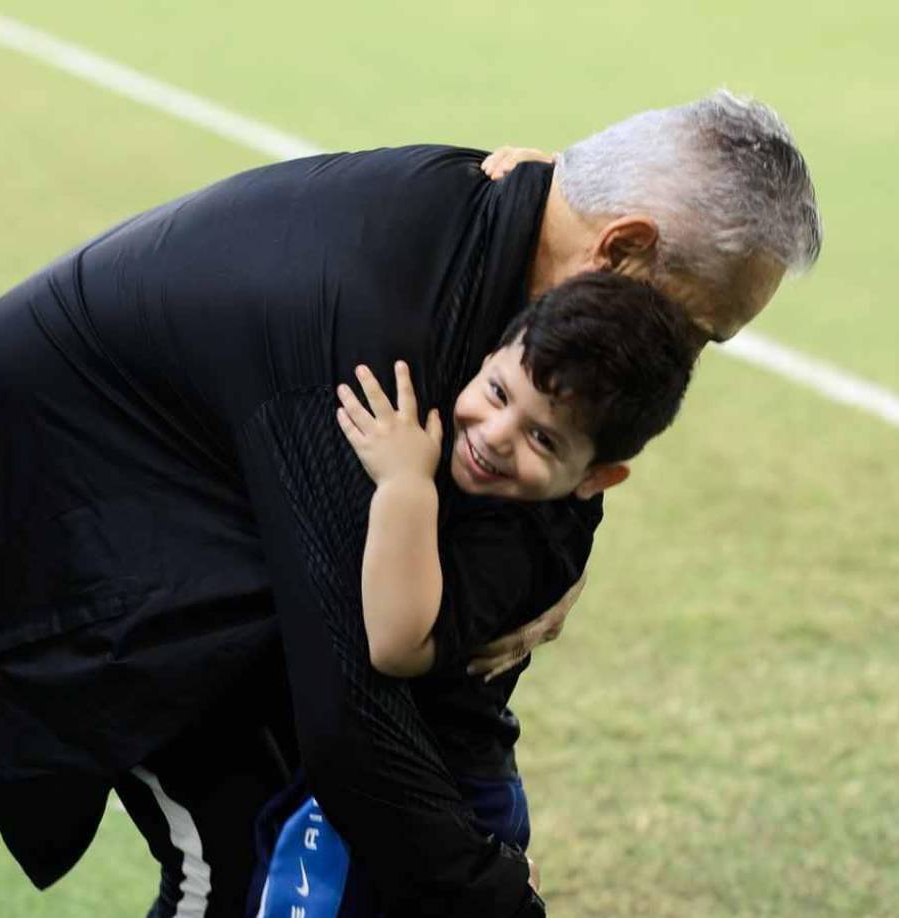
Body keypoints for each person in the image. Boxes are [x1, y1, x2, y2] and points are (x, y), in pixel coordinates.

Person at [0, 90, 820, 917]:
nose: (682, 362)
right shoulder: (368, 333)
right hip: (73, 508)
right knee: (238, 852)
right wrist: (489, 895)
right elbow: (351, 705)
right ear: (623, 249)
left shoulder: (533, 232)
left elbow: (580, 434)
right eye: (697, 331)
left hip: (225, 486)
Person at [250, 271, 699, 917]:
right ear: (489, 355)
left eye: (542, 438)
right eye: (497, 392)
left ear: (598, 477)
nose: (494, 434)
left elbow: (398, 644)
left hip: (428, 793)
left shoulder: (519, 547)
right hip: (457, 782)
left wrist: (405, 482)